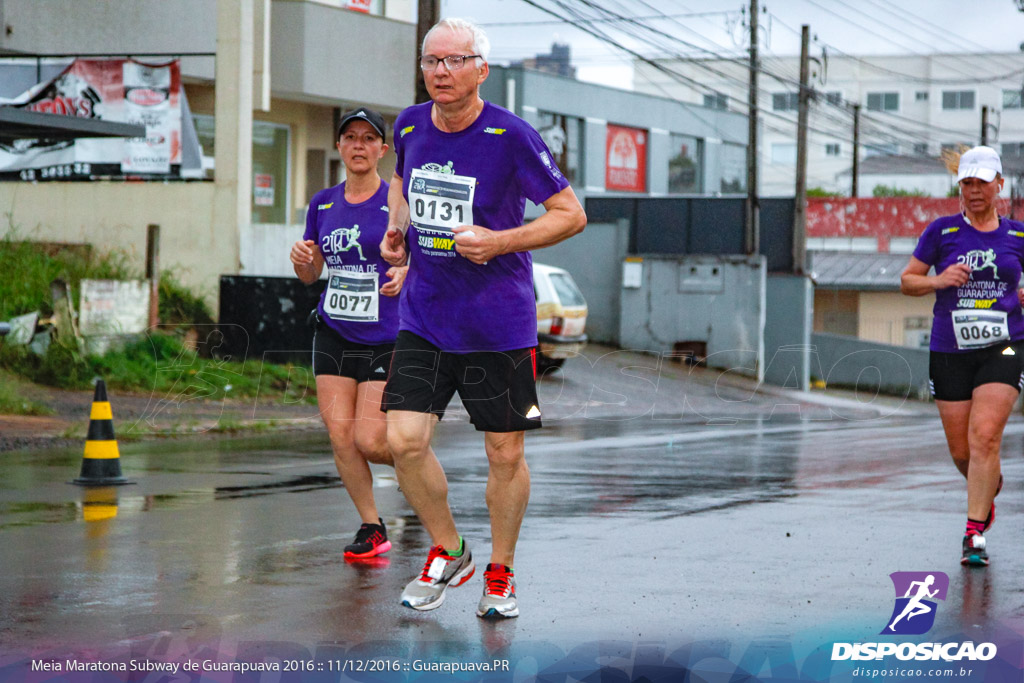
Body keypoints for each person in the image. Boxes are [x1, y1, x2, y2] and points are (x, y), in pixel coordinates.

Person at [379, 17, 586, 618]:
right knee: (403, 441)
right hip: (425, 315)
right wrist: (398, 229)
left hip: (497, 321)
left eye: (453, 61)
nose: (440, 72)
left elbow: (569, 213)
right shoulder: (410, 123)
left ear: (480, 69)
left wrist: (500, 241)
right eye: (431, 62)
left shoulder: (512, 136)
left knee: (504, 452)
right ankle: (450, 549)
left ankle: (501, 571)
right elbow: (401, 182)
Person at [290, 107, 407, 560]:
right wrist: (303, 261)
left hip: (386, 333)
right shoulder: (322, 203)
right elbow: (311, 274)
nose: (358, 145)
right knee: (341, 437)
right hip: (335, 330)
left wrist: (407, 274)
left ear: (382, 149)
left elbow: (424, 260)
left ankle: (419, 472)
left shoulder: (397, 203)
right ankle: (372, 526)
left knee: (372, 440)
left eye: (368, 138)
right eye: (350, 138)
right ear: (339, 146)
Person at [900, 145, 1024, 567]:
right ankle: (986, 487)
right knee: (963, 452)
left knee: (985, 434)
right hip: (950, 349)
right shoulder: (942, 232)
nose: (974, 191)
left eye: (982, 183)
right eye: (966, 183)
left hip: (1004, 345)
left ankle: (974, 534)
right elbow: (907, 281)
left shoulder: (1018, 236)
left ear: (999, 185)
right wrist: (939, 281)